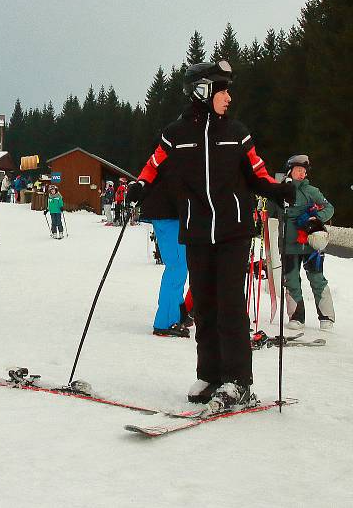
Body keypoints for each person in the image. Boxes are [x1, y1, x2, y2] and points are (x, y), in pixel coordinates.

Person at [125, 60, 295, 411]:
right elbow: (155, 164)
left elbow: (258, 172)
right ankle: (211, 376)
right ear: (203, 90)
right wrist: (140, 185)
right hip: (197, 231)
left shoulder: (237, 131)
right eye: (223, 89)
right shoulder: (176, 134)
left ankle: (238, 381)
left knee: (230, 306)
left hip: (233, 232)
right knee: (203, 305)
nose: (229, 96)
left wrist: (280, 190)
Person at [133, 150, 191, 338]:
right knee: (177, 266)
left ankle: (177, 309)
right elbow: (152, 169)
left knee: (180, 263)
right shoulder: (176, 145)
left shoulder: (181, 145)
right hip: (167, 213)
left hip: (171, 212)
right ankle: (165, 321)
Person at [280, 154, 335, 331]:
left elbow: (329, 208)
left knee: (317, 278)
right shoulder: (280, 191)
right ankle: (296, 316)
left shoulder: (312, 191)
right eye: (298, 170)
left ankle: (326, 317)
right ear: (290, 171)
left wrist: (315, 218)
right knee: (292, 281)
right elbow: (271, 213)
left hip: (312, 244)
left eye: (303, 171)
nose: (301, 174)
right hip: (289, 244)